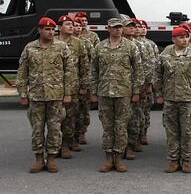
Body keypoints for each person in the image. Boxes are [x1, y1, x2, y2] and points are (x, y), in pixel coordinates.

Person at [17, 17, 75, 173]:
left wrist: (67, 93)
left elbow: (69, 72)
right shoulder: (30, 48)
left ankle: (51, 159)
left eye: (53, 29)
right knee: (37, 128)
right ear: (39, 30)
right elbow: (22, 72)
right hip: (36, 95)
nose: (51, 32)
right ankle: (38, 159)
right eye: (47, 29)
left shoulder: (62, 47)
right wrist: (23, 93)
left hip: (56, 96)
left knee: (55, 128)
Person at [154, 26, 191, 173]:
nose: (185, 39)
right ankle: (173, 160)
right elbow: (157, 75)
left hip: (188, 98)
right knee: (171, 131)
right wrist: (159, 94)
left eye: (186, 37)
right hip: (170, 99)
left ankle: (186, 160)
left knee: (187, 131)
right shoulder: (165, 54)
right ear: (174, 39)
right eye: (181, 37)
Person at [90, 17, 143, 172]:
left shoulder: (131, 46)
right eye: (114, 27)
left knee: (121, 126)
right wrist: (93, 92)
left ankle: (119, 158)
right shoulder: (99, 47)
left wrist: (136, 91)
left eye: (120, 27)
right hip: (104, 92)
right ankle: (108, 158)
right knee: (107, 126)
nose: (118, 29)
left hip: (123, 92)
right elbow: (93, 71)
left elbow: (138, 71)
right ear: (108, 29)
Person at [56, 15, 90, 158]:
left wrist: (84, 85)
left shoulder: (78, 43)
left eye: (72, 24)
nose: (71, 26)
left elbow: (84, 66)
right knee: (56, 118)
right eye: (67, 24)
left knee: (70, 117)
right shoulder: (53, 42)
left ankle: (66, 143)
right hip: (54, 87)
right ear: (59, 27)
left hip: (73, 86)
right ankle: (54, 144)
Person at [123, 18, 150, 159]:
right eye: (129, 27)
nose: (133, 29)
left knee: (134, 119)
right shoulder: (107, 46)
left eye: (134, 27)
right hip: (116, 89)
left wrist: (143, 88)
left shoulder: (140, 46)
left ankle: (131, 146)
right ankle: (117, 149)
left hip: (134, 89)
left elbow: (145, 68)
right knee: (119, 121)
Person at [137, 19, 160, 145]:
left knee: (145, 109)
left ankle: (143, 133)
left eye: (144, 27)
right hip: (135, 83)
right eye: (140, 27)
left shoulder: (151, 44)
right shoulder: (133, 43)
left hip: (146, 83)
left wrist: (151, 83)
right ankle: (135, 136)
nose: (142, 29)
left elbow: (155, 64)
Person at [73, 16, 94, 146]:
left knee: (83, 109)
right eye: (75, 25)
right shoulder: (60, 42)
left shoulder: (86, 42)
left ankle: (81, 133)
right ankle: (70, 137)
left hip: (83, 80)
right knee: (70, 112)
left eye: (79, 26)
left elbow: (91, 62)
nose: (77, 27)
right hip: (69, 82)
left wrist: (87, 82)